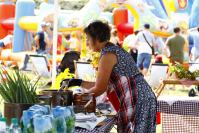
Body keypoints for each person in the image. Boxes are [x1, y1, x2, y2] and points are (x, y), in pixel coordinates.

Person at [65, 21, 157, 133]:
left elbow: (100, 89)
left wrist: (74, 101)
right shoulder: (113, 50)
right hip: (143, 97)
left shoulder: (108, 54)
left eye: (88, 39)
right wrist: (78, 82)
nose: (87, 43)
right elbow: (102, 84)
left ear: (96, 38)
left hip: (139, 98)